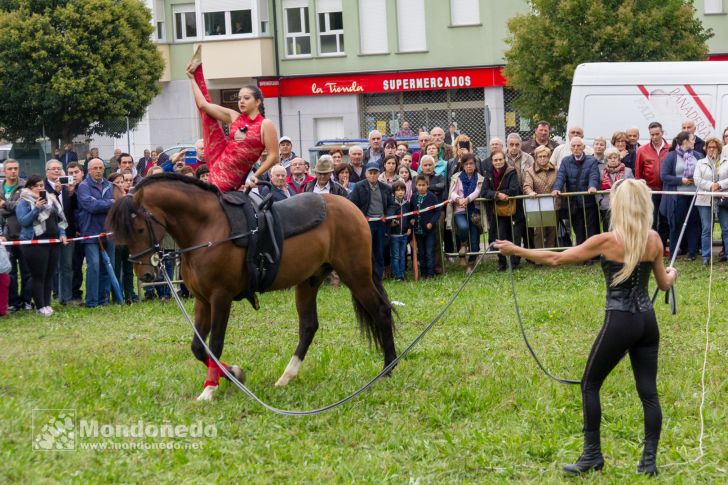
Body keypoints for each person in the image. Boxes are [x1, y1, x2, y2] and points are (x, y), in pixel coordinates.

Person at [495, 178, 676, 477]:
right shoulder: (654, 239)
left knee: (590, 384)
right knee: (649, 394)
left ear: (619, 206)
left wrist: (517, 250)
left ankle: (592, 455)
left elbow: (556, 258)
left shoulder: (607, 240)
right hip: (647, 322)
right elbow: (663, 283)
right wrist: (673, 273)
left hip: (620, 321)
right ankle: (649, 463)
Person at [186, 46, 279, 192]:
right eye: (239, 98)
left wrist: (256, 175)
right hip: (217, 168)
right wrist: (192, 79)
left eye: (246, 98)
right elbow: (204, 105)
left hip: (233, 179)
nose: (241, 101)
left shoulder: (265, 124)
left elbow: (274, 156)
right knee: (208, 118)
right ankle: (198, 70)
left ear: (258, 101)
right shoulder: (234, 116)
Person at [16, 175, 68, 315]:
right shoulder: (24, 202)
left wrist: (62, 233)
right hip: (35, 242)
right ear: (30, 187)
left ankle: (47, 304)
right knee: (38, 275)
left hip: (52, 241)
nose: (41, 188)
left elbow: (59, 219)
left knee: (49, 274)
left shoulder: (51, 199)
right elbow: (23, 221)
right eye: (37, 186)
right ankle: (40, 306)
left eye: (42, 185)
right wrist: (36, 209)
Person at [77, 158, 115, 308]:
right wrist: (109, 202)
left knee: (107, 266)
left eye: (101, 168)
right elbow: (91, 206)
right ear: (89, 170)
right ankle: (91, 301)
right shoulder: (83, 186)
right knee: (94, 266)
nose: (99, 170)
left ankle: (103, 299)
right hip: (90, 231)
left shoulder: (109, 185)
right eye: (95, 168)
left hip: (108, 231)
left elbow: (114, 203)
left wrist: (105, 203)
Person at [348, 162, 395, 280]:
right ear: (366, 174)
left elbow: (392, 205)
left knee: (379, 251)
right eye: (370, 173)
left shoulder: (386, 188)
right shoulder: (359, 186)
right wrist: (360, 218)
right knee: (364, 251)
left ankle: (378, 277)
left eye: (375, 173)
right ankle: (363, 277)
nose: (373, 175)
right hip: (365, 223)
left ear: (379, 174)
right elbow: (352, 204)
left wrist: (387, 216)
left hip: (381, 223)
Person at [552, 136, 600, 248]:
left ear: (583, 147)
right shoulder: (565, 161)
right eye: (573, 146)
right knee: (578, 229)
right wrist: (557, 188)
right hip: (574, 202)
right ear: (570, 148)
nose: (576, 148)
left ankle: (593, 254)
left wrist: (592, 186)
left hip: (588, 201)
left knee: (591, 228)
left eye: (579, 146)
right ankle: (581, 254)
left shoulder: (591, 160)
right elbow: (561, 176)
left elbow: (594, 175)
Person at [660, 131, 700, 260]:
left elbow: (703, 173)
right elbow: (664, 176)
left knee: (693, 223)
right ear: (685, 141)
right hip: (677, 196)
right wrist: (680, 180)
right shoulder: (671, 156)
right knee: (676, 224)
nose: (695, 141)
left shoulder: (698, 156)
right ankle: (673, 252)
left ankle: (692, 253)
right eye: (692, 139)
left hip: (694, 196)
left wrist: (696, 179)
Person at [0, 159, 32, 311]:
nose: (13, 171)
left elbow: (20, 206)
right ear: (4, 171)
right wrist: (9, 208)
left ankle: (26, 300)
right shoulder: (0, 188)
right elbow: (12, 208)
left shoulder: (25, 187)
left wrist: (2, 204)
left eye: (16, 168)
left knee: (27, 271)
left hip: (23, 234)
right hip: (5, 236)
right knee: (9, 271)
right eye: (10, 169)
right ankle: (13, 302)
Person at [481, 150, 520, 271]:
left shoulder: (511, 171)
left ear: (504, 160)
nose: (498, 162)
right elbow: (484, 192)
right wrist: (497, 195)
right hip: (497, 211)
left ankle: (514, 263)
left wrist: (502, 194)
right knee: (500, 236)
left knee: (513, 236)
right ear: (492, 161)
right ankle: (502, 262)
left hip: (512, 209)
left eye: (500, 159)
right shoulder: (488, 174)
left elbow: (514, 189)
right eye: (495, 160)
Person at [635, 122, 670, 252]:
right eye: (652, 134)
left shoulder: (671, 148)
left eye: (657, 134)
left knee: (665, 220)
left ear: (662, 133)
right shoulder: (642, 150)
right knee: (651, 220)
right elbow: (638, 173)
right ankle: (651, 247)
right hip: (650, 191)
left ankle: (662, 247)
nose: (655, 137)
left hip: (667, 191)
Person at [448, 154, 484, 270]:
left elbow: (478, 191)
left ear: (475, 165)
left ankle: (471, 264)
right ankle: (463, 244)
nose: (469, 166)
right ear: (462, 166)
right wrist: (458, 199)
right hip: (460, 210)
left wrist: (467, 199)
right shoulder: (456, 177)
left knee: (474, 240)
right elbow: (452, 192)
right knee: (463, 228)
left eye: (471, 164)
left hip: (474, 212)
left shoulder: (479, 178)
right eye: (466, 164)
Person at [693, 137, 723, 266]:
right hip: (704, 199)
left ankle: (726, 254)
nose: (711, 150)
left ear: (718, 149)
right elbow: (696, 179)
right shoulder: (700, 163)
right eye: (709, 147)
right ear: (706, 148)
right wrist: (711, 185)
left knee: (725, 228)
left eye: (714, 147)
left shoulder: (723, 162)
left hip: (721, 199)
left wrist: (719, 185)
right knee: (706, 228)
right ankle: (706, 256)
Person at [523, 146, 559, 249]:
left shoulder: (556, 170)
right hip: (537, 205)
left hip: (554, 204)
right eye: (540, 156)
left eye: (545, 156)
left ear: (549, 157)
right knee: (539, 232)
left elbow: (560, 183)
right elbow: (527, 186)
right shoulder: (530, 171)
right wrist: (530, 192)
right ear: (536, 157)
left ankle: (551, 254)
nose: (542, 158)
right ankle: (539, 256)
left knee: (552, 231)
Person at [409, 174, 440, 278]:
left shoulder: (432, 197)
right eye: (419, 185)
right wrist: (412, 219)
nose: (421, 187)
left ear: (427, 185)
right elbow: (411, 211)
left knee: (429, 252)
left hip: (429, 230)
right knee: (421, 253)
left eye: (423, 185)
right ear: (416, 185)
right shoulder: (414, 197)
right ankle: (423, 273)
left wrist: (431, 222)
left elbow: (437, 212)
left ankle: (430, 274)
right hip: (418, 231)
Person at [598, 148, 634, 230]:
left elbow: (633, 187)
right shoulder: (601, 172)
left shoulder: (628, 171)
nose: (613, 160)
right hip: (607, 205)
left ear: (619, 159)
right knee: (608, 229)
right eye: (610, 158)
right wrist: (600, 201)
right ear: (606, 160)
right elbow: (597, 187)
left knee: (622, 229)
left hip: (623, 205)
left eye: (615, 158)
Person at [66, 162, 85, 304]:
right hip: (74, 234)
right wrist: (70, 193)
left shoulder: (87, 188)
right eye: (70, 173)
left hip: (90, 231)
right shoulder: (64, 190)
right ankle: (74, 293)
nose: (73, 175)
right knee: (75, 266)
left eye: (76, 172)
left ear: (82, 173)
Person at [389, 180, 411, 281]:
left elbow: (411, 218)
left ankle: (402, 274)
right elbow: (388, 217)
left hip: (404, 235)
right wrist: (391, 223)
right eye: (398, 190)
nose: (400, 192)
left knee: (403, 255)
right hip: (394, 236)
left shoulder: (407, 204)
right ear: (393, 192)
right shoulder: (392, 204)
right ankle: (397, 275)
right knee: (396, 256)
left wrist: (410, 228)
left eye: (402, 190)